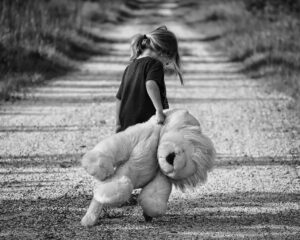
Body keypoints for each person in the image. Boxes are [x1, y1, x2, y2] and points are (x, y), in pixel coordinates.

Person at [115, 25, 183, 133]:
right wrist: (159, 111)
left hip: (127, 124)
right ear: (163, 52)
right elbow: (150, 84)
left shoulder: (129, 67)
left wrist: (118, 123)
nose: (166, 65)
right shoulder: (155, 64)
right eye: (167, 62)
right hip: (146, 123)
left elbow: (119, 98)